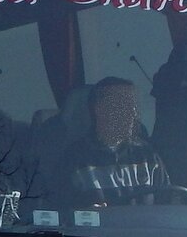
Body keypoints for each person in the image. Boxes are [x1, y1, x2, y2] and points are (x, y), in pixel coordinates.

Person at [58, 76, 170, 206]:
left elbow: (168, 208)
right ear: (99, 110)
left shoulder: (148, 155)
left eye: (133, 107)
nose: (132, 114)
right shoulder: (74, 159)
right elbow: (61, 214)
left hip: (145, 226)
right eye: (124, 106)